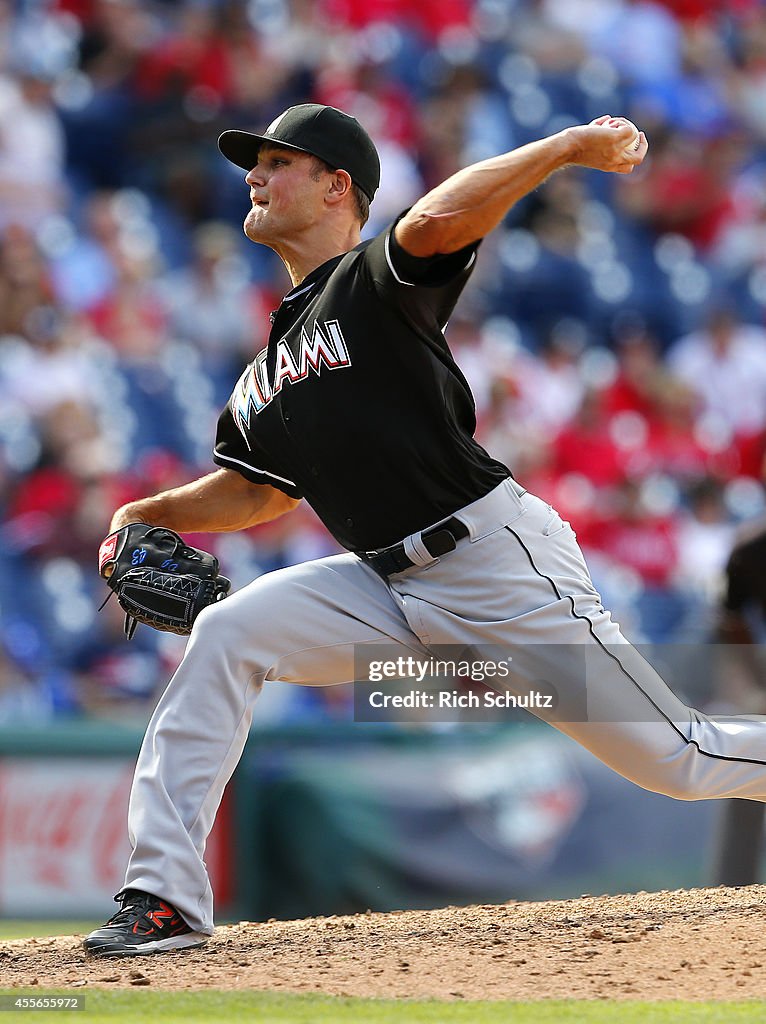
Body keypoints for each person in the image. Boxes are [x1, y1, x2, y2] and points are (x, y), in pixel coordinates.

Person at [84, 104, 766, 958]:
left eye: (276, 162)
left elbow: (441, 220)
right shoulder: (268, 366)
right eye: (252, 165)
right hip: (387, 590)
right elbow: (257, 494)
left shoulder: (373, 280)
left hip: (496, 569)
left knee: (679, 760)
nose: (253, 176)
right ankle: (165, 900)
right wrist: (146, 514)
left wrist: (562, 147)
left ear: (339, 187)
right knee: (228, 632)